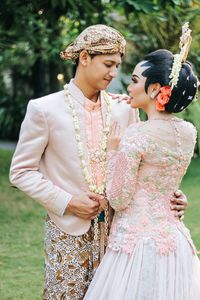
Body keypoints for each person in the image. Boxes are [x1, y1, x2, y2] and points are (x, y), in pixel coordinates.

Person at [9, 24, 187, 300]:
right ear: (84, 58)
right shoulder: (44, 110)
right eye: (108, 64)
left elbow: (143, 164)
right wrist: (68, 201)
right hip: (67, 229)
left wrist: (172, 196)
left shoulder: (124, 108)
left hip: (120, 235)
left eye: (118, 65)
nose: (114, 73)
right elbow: (20, 172)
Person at [84, 23, 200, 300]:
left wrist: (113, 150)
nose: (129, 85)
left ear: (155, 89)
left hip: (136, 243)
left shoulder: (137, 135)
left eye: (135, 80)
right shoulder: (188, 132)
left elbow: (119, 198)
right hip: (174, 240)